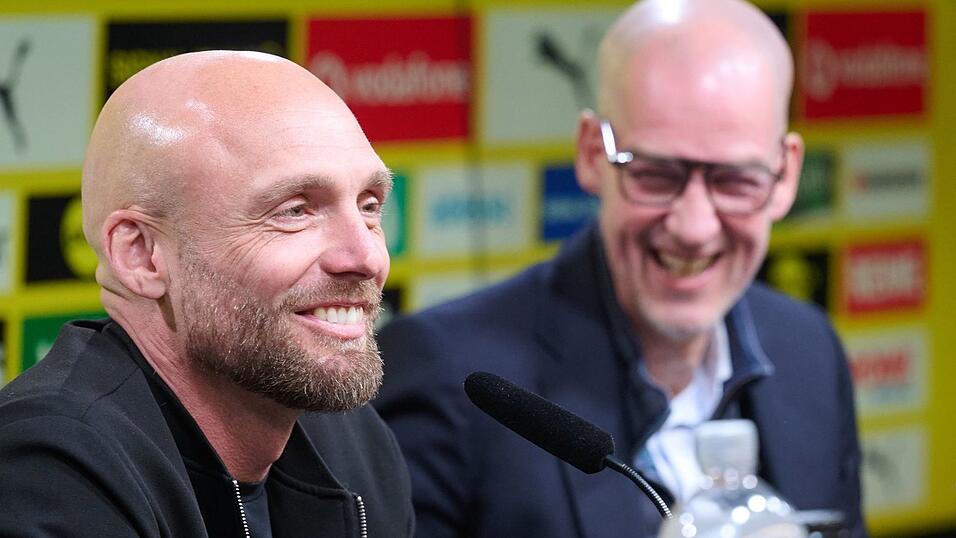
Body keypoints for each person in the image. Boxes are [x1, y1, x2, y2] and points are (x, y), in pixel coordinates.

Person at [373, 1, 866, 537]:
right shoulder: (452, 378)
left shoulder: (810, 351)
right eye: (655, 174)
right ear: (591, 153)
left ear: (786, 174)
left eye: (735, 180)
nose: (694, 226)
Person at [0, 51, 414, 537]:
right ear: (141, 254)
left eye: (370, 206)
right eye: (295, 211)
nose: (366, 257)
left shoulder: (356, 445)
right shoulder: (50, 471)